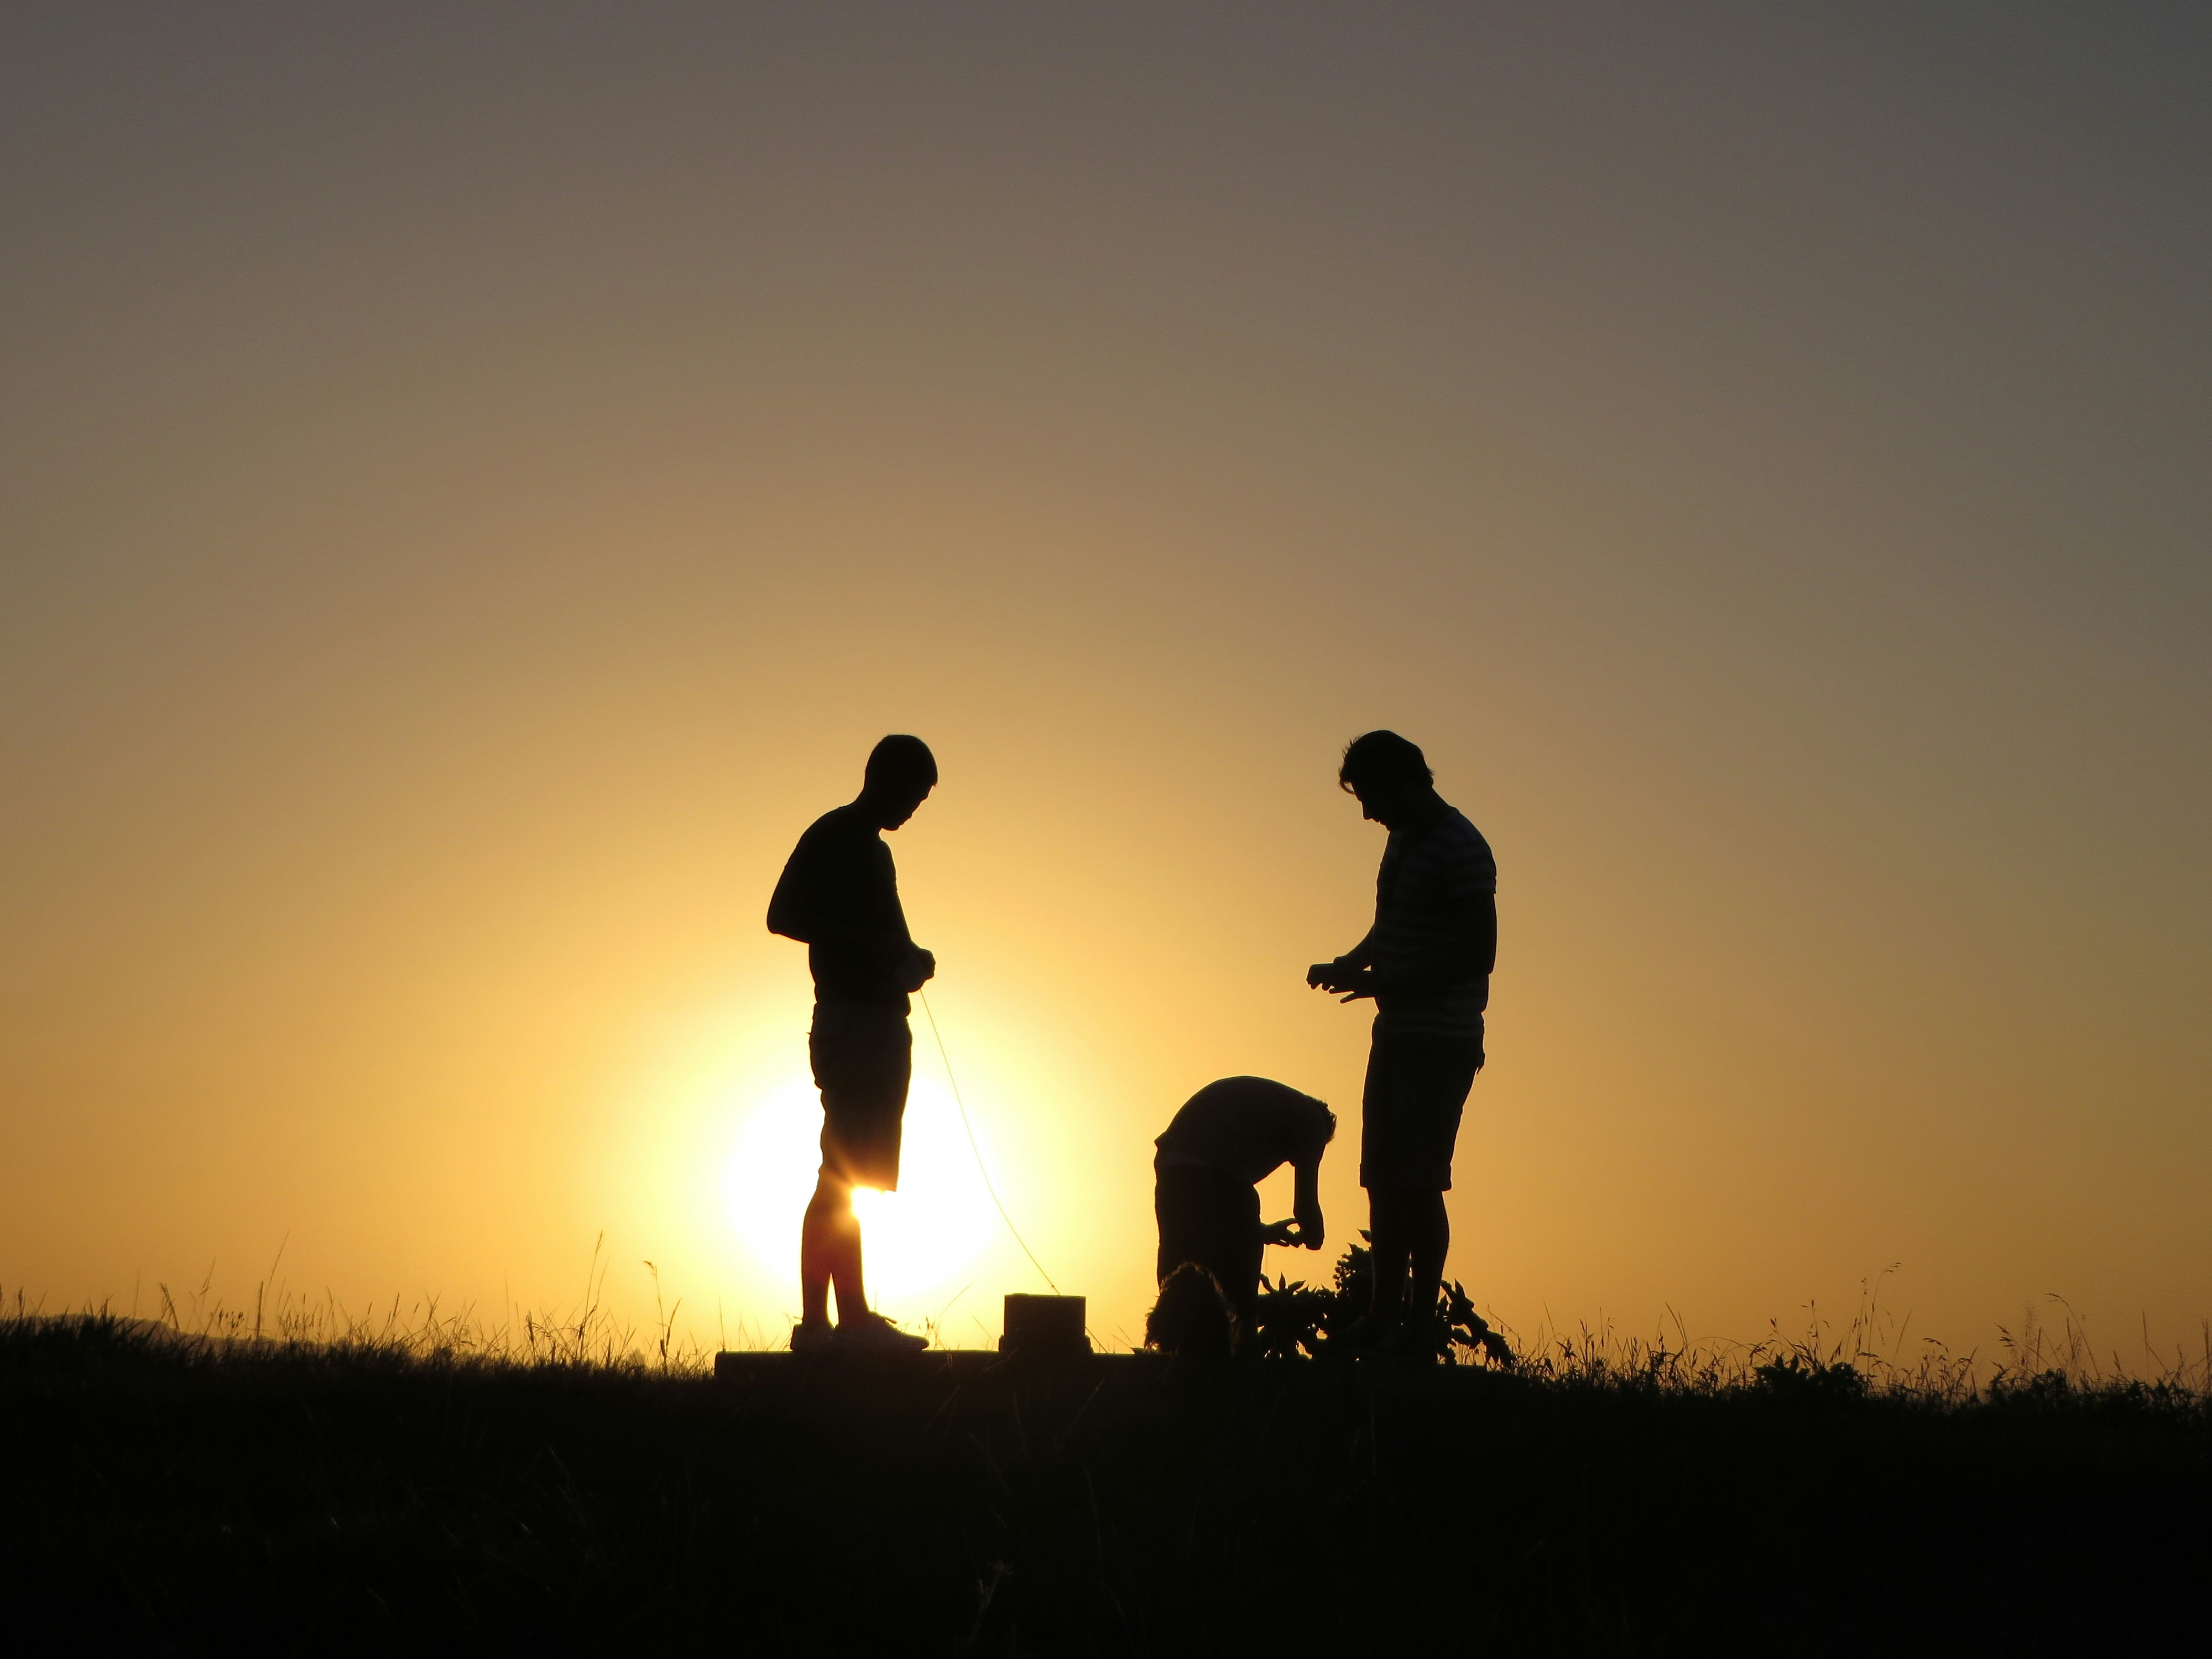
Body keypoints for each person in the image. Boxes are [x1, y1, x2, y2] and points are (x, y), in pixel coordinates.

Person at [1306, 731, 1496, 1357]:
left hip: (1438, 1041)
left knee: (1418, 1183)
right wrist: (1354, 962)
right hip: (1395, 1032)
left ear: (1403, 780)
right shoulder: (1403, 840)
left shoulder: (1462, 847)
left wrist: (1389, 978)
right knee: (1381, 1181)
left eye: (1370, 796)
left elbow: (1477, 952)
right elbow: (1392, 923)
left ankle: (1419, 1321)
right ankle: (1383, 1316)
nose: (1366, 812)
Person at [766, 734, 941, 1355]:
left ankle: (851, 1319)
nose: (912, 810)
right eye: (912, 795)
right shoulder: (834, 835)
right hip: (853, 1023)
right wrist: (871, 949)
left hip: (878, 1021)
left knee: (853, 1178)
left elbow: (886, 934)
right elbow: (782, 914)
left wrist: (911, 958)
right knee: (837, 1176)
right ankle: (823, 1326)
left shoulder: (877, 854)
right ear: (882, 778)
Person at [1152, 1076, 1334, 1346]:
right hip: (1212, 1168)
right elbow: (1304, 1205)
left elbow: (1217, 1215)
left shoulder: (1274, 1107)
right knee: (1238, 1268)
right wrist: (1314, 1234)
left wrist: (1258, 1230)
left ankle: (1170, 1346)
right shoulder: (1313, 1124)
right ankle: (1243, 1343)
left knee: (1181, 1263)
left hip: (1172, 1166)